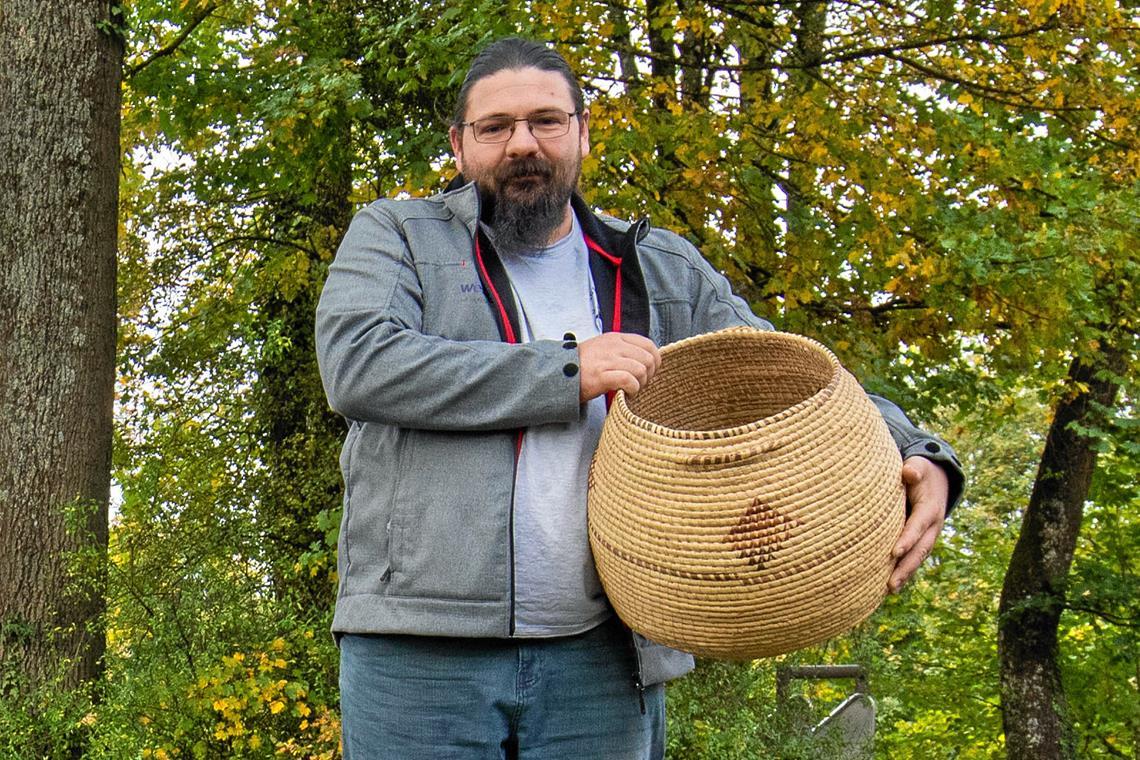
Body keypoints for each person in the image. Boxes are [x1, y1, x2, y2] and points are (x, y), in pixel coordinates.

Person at [315, 36, 964, 760]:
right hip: (418, 648)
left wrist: (918, 450)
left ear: (582, 133)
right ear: (460, 146)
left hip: (604, 657)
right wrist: (564, 371)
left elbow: (790, 378)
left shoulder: (656, 264)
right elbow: (360, 363)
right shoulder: (398, 236)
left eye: (546, 121)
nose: (521, 143)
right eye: (494, 127)